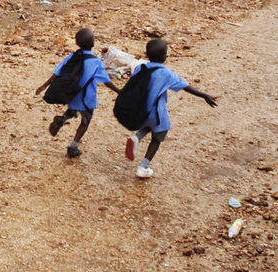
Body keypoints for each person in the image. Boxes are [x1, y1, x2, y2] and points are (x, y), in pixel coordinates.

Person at [121, 38, 216, 180]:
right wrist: (204, 95)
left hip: (141, 110)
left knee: (149, 125)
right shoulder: (165, 74)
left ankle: (137, 137)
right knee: (158, 136)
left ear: (146, 54)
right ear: (165, 57)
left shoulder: (140, 68)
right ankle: (143, 167)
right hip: (157, 112)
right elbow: (185, 87)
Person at [36, 27, 106, 158]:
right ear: (93, 43)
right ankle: (73, 147)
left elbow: (57, 72)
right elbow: (107, 81)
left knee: (73, 108)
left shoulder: (72, 56)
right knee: (86, 121)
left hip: (72, 93)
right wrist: (120, 91)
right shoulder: (96, 61)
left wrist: (44, 85)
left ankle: (63, 118)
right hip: (87, 97)